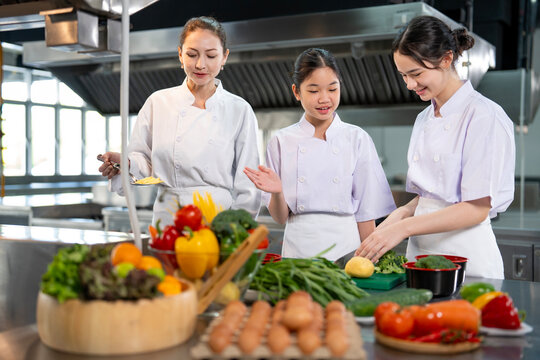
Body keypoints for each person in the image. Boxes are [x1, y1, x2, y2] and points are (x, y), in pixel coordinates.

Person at [357, 16, 515, 279]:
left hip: (467, 258)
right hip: (421, 257)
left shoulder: (484, 115)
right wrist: (403, 212)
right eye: (403, 75)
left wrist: (404, 228)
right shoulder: (424, 118)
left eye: (416, 74)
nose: (409, 84)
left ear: (446, 59)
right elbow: (435, 194)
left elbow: (476, 208)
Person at [99, 16, 261, 226]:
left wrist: (239, 230)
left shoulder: (239, 110)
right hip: (169, 218)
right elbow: (145, 161)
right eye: (192, 55)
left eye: (211, 56)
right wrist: (126, 163)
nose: (201, 64)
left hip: (218, 220)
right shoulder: (159, 102)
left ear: (224, 58)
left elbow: (248, 182)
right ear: (180, 55)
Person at [244, 48, 396, 261]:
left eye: (332, 89)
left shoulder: (356, 138)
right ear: (297, 92)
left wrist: (370, 261)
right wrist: (278, 192)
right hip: (299, 248)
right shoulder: (281, 141)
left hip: (346, 246)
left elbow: (365, 212)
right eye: (314, 91)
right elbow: (280, 218)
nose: (325, 99)